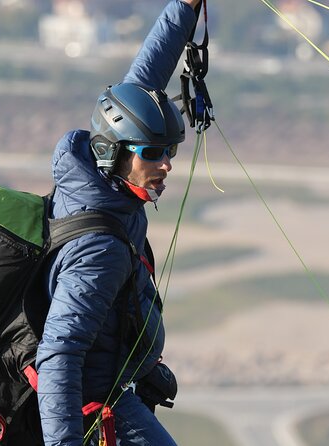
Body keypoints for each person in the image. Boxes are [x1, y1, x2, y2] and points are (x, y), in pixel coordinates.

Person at [35, 1, 201, 445]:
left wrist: (183, 9)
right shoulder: (100, 250)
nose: (166, 165)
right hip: (93, 402)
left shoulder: (96, 176)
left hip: (116, 377)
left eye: (170, 151)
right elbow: (59, 355)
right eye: (153, 153)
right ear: (116, 152)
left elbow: (144, 80)